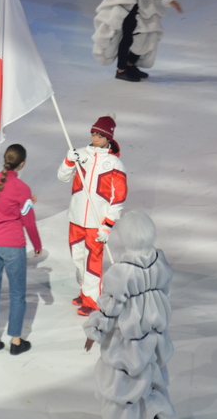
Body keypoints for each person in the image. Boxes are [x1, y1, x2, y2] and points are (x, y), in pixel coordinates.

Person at [83, 211, 174, 419]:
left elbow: (108, 309)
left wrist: (94, 331)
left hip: (127, 339)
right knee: (150, 377)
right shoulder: (160, 262)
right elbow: (165, 292)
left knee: (126, 384)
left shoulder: (121, 273)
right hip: (153, 336)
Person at [57, 114, 128, 316]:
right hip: (76, 218)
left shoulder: (115, 164)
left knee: (93, 261)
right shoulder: (80, 154)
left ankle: (92, 300)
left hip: (96, 222)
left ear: (109, 139)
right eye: (93, 134)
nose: (95, 138)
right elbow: (62, 177)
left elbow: (119, 197)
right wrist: (69, 161)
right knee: (78, 258)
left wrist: (108, 224)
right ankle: (85, 291)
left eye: (100, 135)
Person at [0, 144, 42, 356]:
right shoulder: (22, 188)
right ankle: (16, 340)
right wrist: (37, 245)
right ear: (22, 163)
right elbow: (29, 222)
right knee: (17, 293)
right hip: (12, 245)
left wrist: (25, 202)